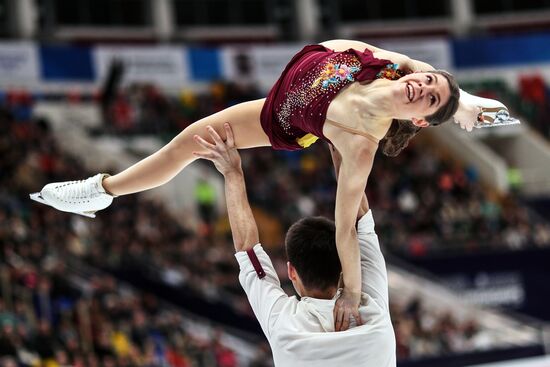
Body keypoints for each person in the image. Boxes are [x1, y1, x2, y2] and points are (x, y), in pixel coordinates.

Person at [30, 39, 509, 329]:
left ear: (420, 121)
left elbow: (347, 225)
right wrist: (459, 99)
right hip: (299, 77)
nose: (420, 88)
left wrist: (350, 293)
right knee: (429, 78)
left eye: (428, 100)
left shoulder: (361, 141)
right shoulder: (399, 69)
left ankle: (100, 191)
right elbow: (417, 75)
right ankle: (465, 103)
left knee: (183, 147)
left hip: (279, 117)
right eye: (428, 83)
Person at [195, 123, 396, 366]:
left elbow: (248, 249)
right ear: (344, 265)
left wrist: (232, 172)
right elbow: (357, 215)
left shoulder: (284, 324)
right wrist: (337, 134)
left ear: (291, 272)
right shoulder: (371, 308)